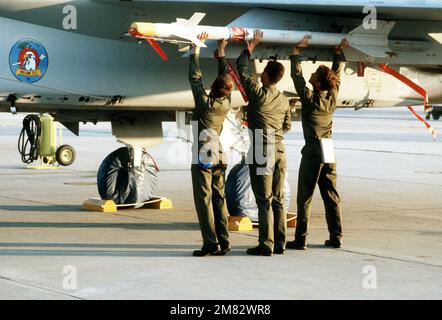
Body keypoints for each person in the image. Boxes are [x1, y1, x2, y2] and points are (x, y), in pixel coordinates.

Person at [286, 36, 348, 250]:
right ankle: (336, 236)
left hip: (313, 149)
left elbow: (297, 78)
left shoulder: (311, 99)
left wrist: (296, 52)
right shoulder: (331, 97)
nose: (310, 75)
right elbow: (336, 76)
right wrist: (338, 54)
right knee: (331, 195)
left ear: (319, 82)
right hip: (329, 149)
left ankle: (301, 239)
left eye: (314, 74)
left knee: (305, 196)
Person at [236, 30, 292, 256]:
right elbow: (287, 126)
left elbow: (241, 70)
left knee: (263, 199)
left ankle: (266, 244)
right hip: (280, 149)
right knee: (278, 199)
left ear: (266, 76)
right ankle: (280, 243)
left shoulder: (258, 95)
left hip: (261, 148)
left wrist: (250, 47)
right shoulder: (285, 99)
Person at [189, 32, 234, 257]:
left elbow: (195, 78)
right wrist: (222, 52)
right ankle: (224, 241)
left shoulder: (205, 103)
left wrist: (195, 48)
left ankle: (210, 243)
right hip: (220, 153)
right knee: (219, 197)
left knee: (204, 200)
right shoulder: (226, 102)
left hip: (204, 154)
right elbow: (222, 79)